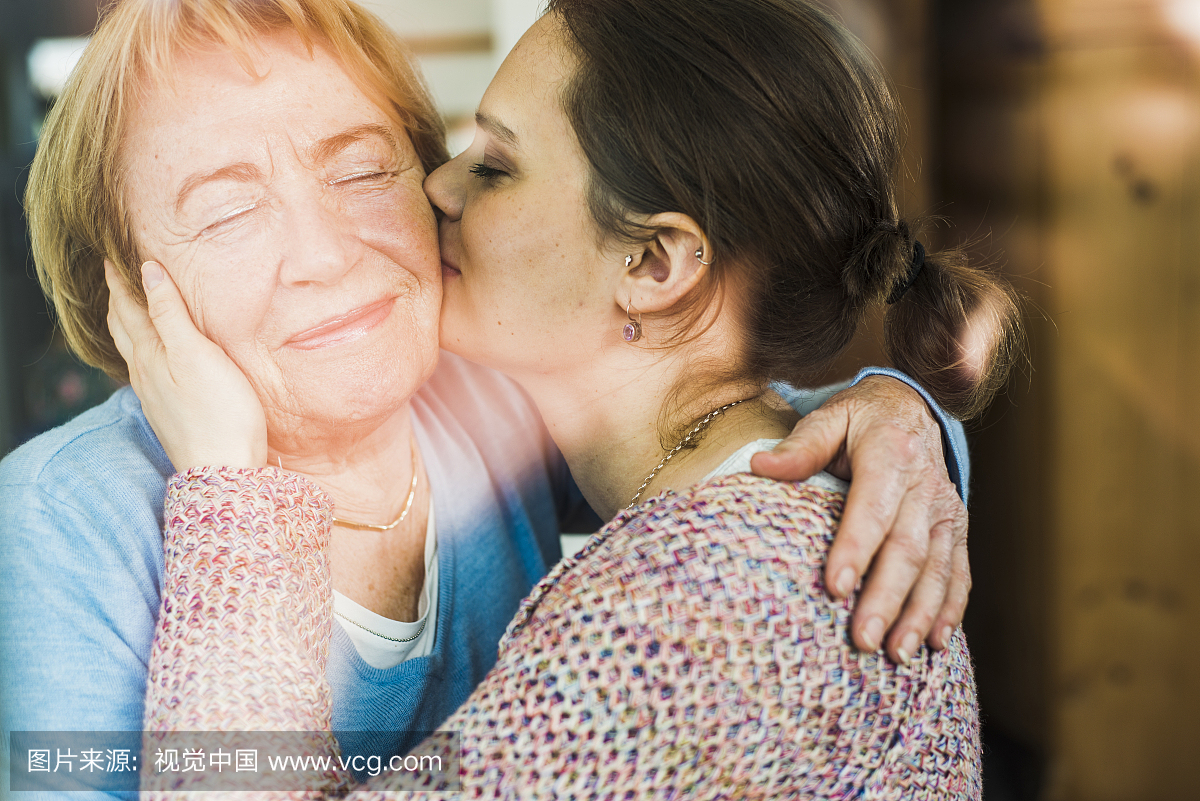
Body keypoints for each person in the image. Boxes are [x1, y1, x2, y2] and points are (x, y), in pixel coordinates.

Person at [109, 0, 1021, 796]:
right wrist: (900, 403)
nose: (439, 184)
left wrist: (232, 488)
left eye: (498, 166)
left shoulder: (680, 615)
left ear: (655, 264)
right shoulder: (772, 503)